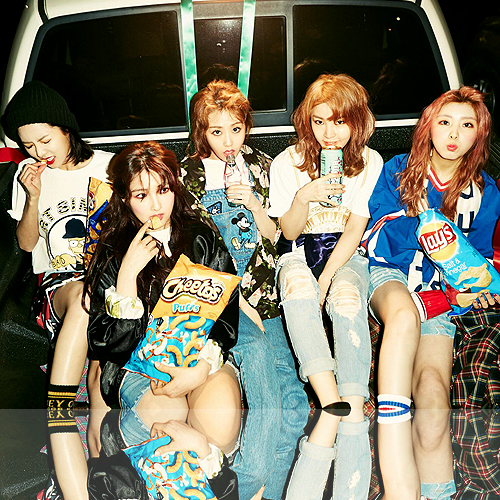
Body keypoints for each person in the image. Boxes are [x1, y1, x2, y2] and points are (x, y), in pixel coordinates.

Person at [363, 86, 500, 499]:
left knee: (434, 402)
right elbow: (375, 239)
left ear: (479, 133)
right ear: (429, 125)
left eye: (467, 124)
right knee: (404, 316)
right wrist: (424, 228)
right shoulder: (399, 170)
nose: (454, 134)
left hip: (439, 301)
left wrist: (478, 287)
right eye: (445, 122)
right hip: (390, 279)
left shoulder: (485, 191)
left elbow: (481, 258)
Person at [180, 79, 309, 500]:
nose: (228, 141)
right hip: (216, 300)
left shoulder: (264, 166)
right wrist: (234, 299)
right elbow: (188, 254)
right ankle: (245, 486)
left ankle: (268, 493)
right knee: (266, 399)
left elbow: (278, 236)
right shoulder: (184, 176)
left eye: (235, 129)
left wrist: (254, 203)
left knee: (295, 408)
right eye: (217, 131)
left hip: (265, 298)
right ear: (202, 132)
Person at [268, 73, 383, 419]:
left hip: (345, 252)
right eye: (319, 122)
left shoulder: (370, 162)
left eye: (339, 122)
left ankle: (354, 401)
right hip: (298, 251)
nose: (328, 133)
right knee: (297, 285)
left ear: (357, 121)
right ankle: (328, 398)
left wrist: (327, 278)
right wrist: (304, 197)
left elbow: (355, 229)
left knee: (346, 297)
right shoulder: (287, 162)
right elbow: (288, 233)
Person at [2, 80, 113, 414]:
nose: (39, 152)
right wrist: (33, 197)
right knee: (83, 300)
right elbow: (26, 244)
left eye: (46, 140)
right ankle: (58, 411)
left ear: (66, 129)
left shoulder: (110, 167)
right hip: (60, 284)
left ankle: (98, 434)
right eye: (28, 145)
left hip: (110, 277)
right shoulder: (28, 175)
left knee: (102, 375)